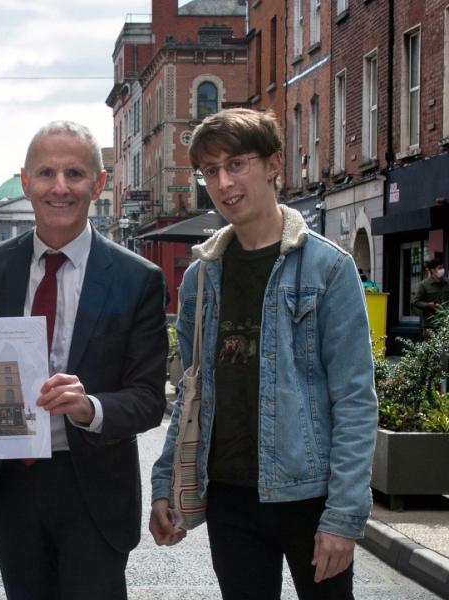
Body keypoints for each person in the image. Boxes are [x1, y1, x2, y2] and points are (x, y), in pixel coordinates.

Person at [0, 121, 168, 599]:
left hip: (94, 485)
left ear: (98, 185)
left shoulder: (138, 278)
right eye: (46, 174)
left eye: (75, 173)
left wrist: (90, 408)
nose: (60, 187)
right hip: (14, 482)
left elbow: (147, 400)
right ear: (27, 180)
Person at [150, 108, 377, 600]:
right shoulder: (200, 278)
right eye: (210, 171)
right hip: (231, 498)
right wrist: (166, 483)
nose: (224, 182)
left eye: (236, 164)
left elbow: (355, 401)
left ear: (274, 165)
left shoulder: (328, 269)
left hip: (309, 496)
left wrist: (344, 516)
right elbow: (192, 392)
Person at [413, 257, 449, 335]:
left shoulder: (447, 283)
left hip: (446, 325)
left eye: (442, 267)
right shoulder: (424, 285)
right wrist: (428, 305)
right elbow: (415, 302)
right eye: (439, 268)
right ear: (432, 270)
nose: (442, 270)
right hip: (430, 326)